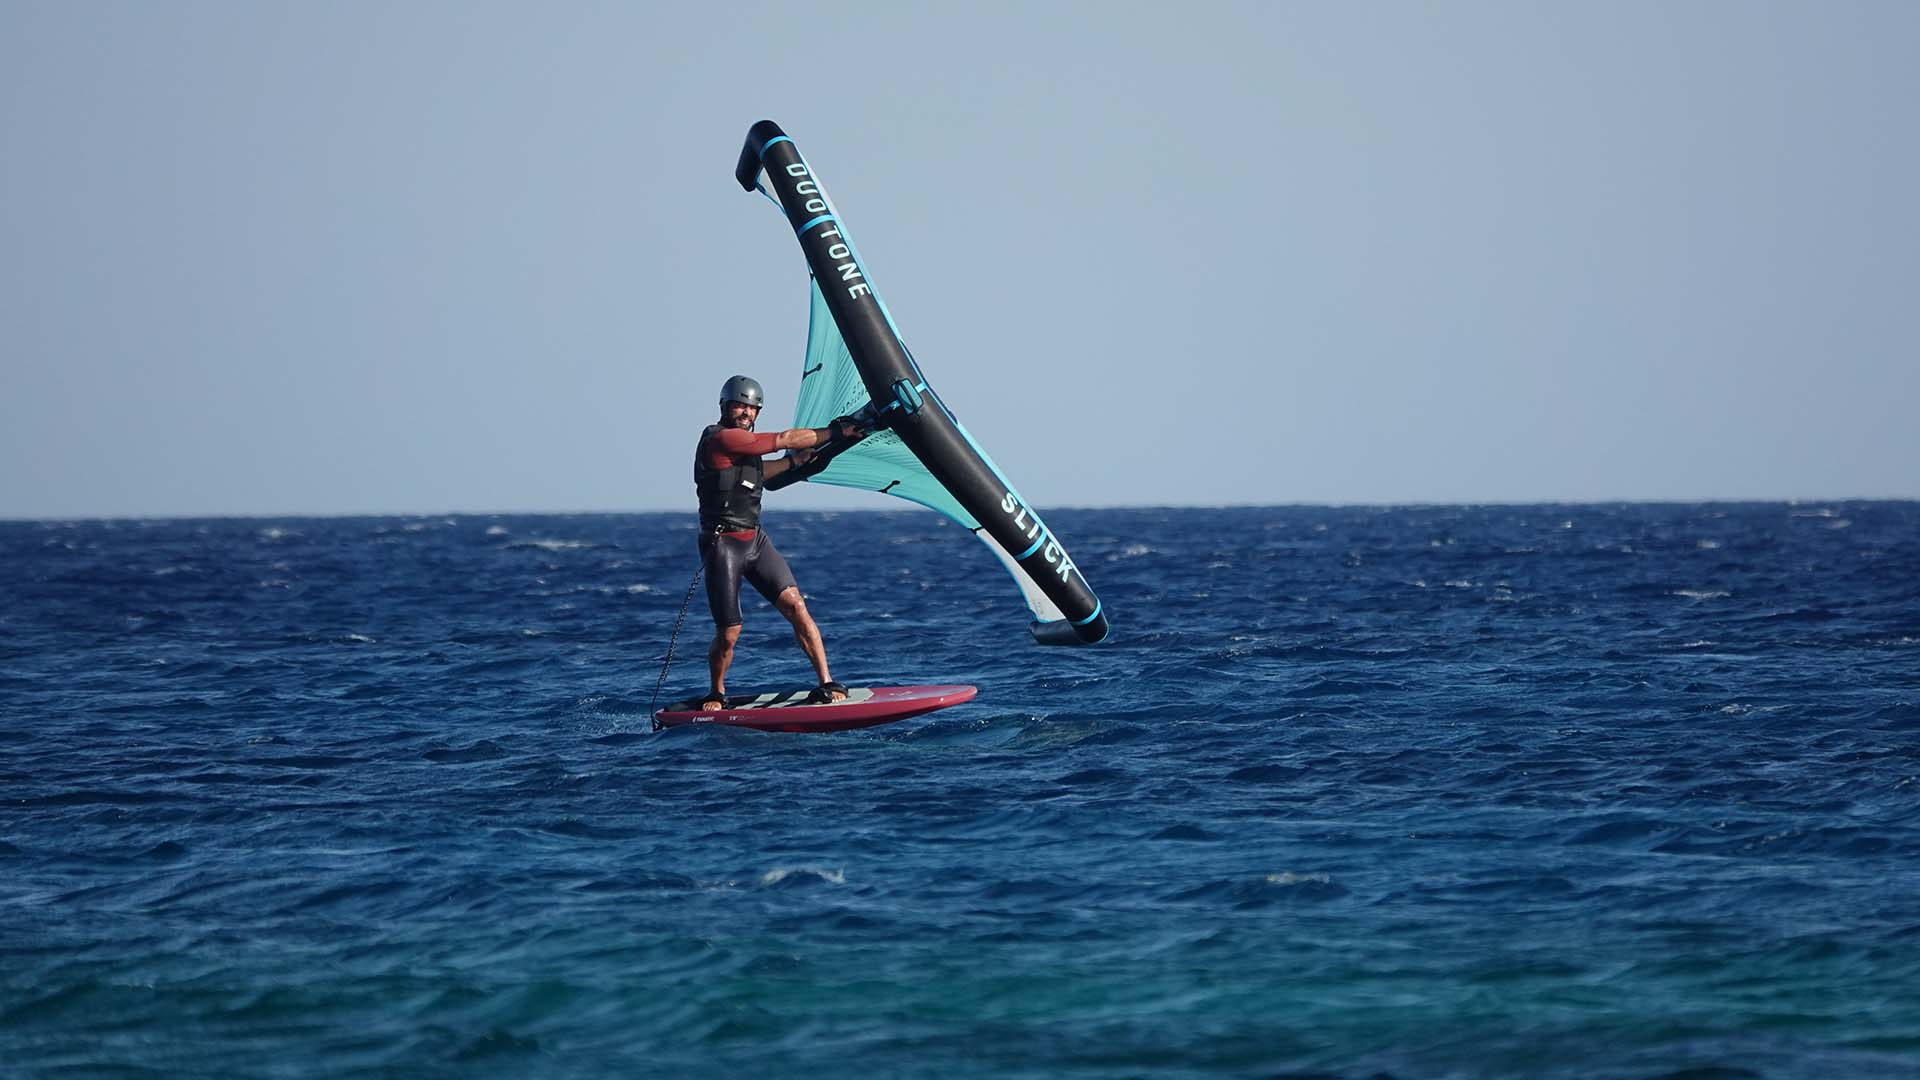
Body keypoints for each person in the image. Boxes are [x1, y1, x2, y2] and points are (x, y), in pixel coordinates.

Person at [693, 375, 866, 711]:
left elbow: (760, 474)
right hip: (723, 545)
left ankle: (826, 682)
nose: (745, 412)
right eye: (738, 405)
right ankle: (716, 692)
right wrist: (836, 431)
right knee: (730, 632)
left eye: (751, 407)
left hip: (754, 540)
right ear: (724, 407)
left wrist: (795, 464)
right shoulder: (721, 439)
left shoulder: (744, 450)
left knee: (796, 606)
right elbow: (785, 438)